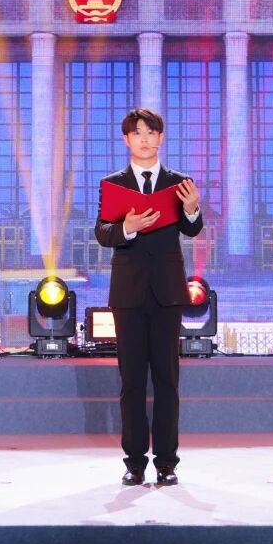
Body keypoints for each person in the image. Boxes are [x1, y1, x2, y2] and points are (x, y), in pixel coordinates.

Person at [96, 108, 203, 486]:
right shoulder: (113, 184)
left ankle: (167, 463)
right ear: (126, 139)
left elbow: (193, 229)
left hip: (167, 292)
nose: (144, 139)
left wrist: (192, 209)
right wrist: (126, 227)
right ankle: (135, 462)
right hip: (128, 293)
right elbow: (102, 233)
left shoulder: (179, 183)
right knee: (132, 381)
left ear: (161, 137)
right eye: (137, 133)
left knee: (167, 380)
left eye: (151, 132)